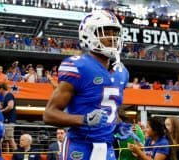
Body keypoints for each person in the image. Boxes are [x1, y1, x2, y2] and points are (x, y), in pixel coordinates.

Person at [43, 10, 129, 160]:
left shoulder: (122, 72)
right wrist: (83, 120)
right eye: (105, 32)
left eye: (115, 33)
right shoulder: (79, 66)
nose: (112, 38)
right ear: (89, 34)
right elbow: (49, 114)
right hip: (79, 146)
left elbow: (107, 110)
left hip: (107, 148)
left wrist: (118, 125)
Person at [0, 82, 17, 152]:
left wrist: (1, 111)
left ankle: (18, 155)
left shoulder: (9, 95)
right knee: (5, 141)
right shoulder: (5, 97)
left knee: (10, 139)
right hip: (6, 121)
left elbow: (10, 106)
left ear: (2, 89)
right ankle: (7, 156)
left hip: (9, 121)